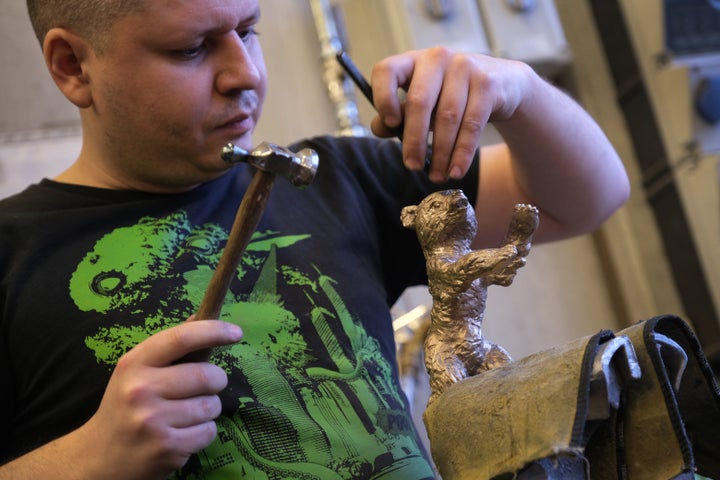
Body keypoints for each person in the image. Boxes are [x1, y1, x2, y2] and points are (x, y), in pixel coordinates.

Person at [0, 0, 630, 478]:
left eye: (248, 30)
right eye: (192, 49)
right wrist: (88, 455)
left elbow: (585, 200)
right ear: (72, 66)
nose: (243, 74)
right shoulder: (14, 255)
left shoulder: (335, 179)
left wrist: (517, 91)